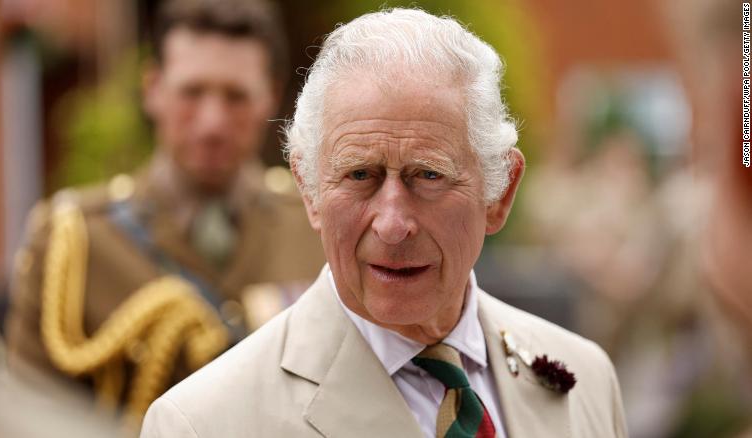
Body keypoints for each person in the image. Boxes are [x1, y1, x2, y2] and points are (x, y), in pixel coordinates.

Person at [141, 8, 627, 438]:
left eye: (428, 175)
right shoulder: (203, 424)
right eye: (359, 175)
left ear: (500, 192)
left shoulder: (585, 379)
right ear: (309, 191)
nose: (393, 225)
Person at [5, 0, 324, 422]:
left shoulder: (316, 226)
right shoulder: (76, 242)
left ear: (272, 94)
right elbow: (29, 416)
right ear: (152, 88)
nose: (212, 122)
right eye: (192, 92)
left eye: (236, 96)